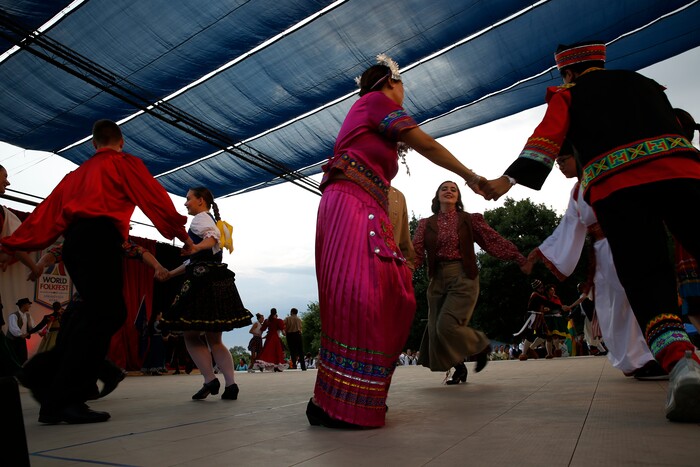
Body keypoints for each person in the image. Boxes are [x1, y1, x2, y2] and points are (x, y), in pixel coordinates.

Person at [481, 41, 700, 422]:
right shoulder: (644, 83)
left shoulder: (568, 94)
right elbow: (681, 126)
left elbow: (545, 139)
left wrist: (507, 181)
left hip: (620, 188)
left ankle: (683, 365)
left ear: (567, 73)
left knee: (647, 278)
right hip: (683, 174)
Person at [309, 53, 489, 429]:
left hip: (363, 204)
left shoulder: (367, 114)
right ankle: (336, 402)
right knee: (364, 294)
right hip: (350, 202)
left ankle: (350, 396)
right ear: (391, 82)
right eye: (403, 84)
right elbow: (426, 144)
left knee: (393, 294)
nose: (404, 92)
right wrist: (472, 176)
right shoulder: (374, 102)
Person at [0, 119, 191, 424]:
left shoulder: (74, 176)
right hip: (101, 241)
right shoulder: (123, 163)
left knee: (94, 313)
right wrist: (181, 234)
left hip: (76, 244)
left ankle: (52, 394)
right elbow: (153, 196)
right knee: (107, 313)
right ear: (121, 142)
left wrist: (16, 244)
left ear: (93, 144)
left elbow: (46, 214)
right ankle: (54, 386)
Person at [526, 144, 661, 377]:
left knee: (631, 300)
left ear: (577, 156)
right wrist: (541, 251)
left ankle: (646, 356)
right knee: (613, 306)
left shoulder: (605, 174)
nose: (560, 166)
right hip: (602, 253)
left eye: (563, 160)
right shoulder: (577, 191)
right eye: (557, 163)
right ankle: (632, 360)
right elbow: (568, 225)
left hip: (625, 243)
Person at [412, 181, 528, 384]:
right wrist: (400, 272)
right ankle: (459, 368)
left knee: (446, 326)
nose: (448, 191)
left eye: (453, 189)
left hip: (463, 276)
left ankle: (481, 344)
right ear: (437, 195)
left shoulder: (468, 220)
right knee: (436, 331)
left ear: (458, 198)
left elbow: (493, 240)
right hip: (436, 279)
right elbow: (415, 254)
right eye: (444, 188)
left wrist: (517, 256)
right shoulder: (425, 224)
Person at [160, 186, 252, 401]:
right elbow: (198, 256)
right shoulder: (211, 219)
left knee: (190, 334)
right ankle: (231, 385)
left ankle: (210, 380)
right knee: (215, 339)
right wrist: (171, 273)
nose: (185, 203)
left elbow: (209, 240)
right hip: (217, 280)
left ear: (201, 200)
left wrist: (196, 247)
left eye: (188, 199)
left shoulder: (200, 219)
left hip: (201, 283)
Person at [514, 280, 561, 360]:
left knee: (544, 335)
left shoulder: (540, 295)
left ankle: (531, 348)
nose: (542, 289)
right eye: (541, 287)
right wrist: (560, 306)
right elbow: (546, 302)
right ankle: (523, 353)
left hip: (539, 316)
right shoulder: (535, 295)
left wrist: (545, 309)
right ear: (537, 288)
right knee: (530, 335)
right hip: (532, 316)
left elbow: (543, 304)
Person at [388, 186, 416, 271]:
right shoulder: (350, 186)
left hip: (389, 266)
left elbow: (404, 238)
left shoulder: (398, 196)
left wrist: (408, 268)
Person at [5, 297, 35, 364]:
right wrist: (21, 334)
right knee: (13, 358)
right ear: (24, 305)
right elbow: (13, 328)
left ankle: (21, 372)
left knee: (23, 358)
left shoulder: (28, 316)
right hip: (12, 341)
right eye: (28, 304)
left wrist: (40, 332)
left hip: (21, 340)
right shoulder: (13, 316)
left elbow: (32, 327)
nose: (30, 306)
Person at [140, 311, 167, 376]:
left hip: (158, 339)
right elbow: (158, 330)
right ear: (157, 316)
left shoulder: (157, 322)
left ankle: (152, 369)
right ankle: (154, 369)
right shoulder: (155, 323)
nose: (161, 316)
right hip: (156, 340)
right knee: (156, 354)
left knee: (155, 353)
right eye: (160, 315)